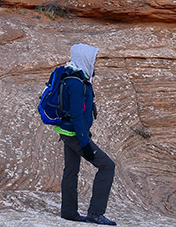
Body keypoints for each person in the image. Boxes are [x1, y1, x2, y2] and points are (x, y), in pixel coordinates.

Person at [55, 44, 116, 225]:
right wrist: (85, 142)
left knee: (71, 171)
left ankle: (68, 212)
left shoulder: (76, 77)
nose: (94, 62)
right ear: (84, 58)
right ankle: (95, 214)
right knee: (107, 166)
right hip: (74, 134)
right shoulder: (75, 82)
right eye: (92, 58)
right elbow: (76, 116)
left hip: (69, 132)